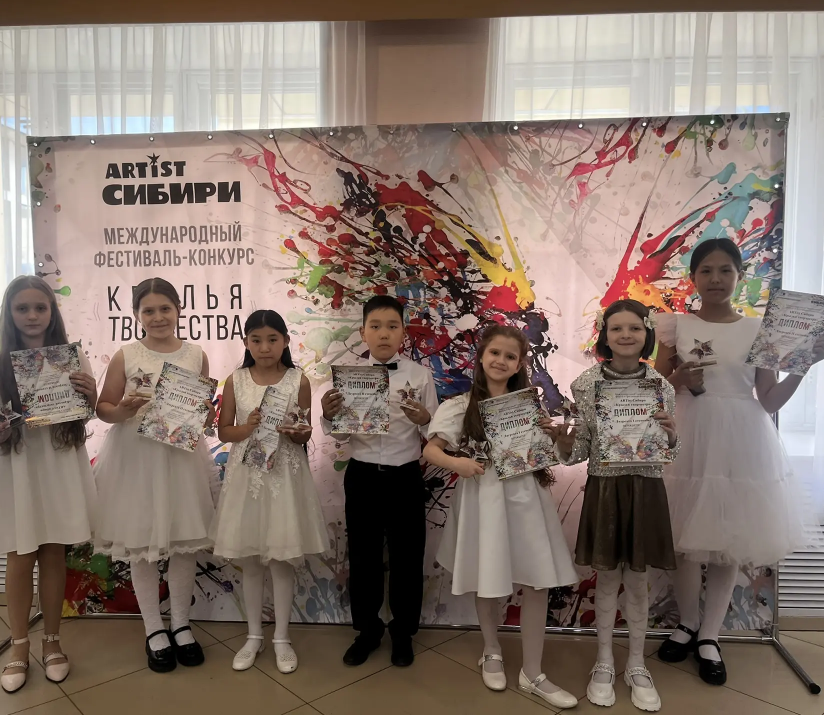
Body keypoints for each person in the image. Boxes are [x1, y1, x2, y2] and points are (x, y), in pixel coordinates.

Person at [653, 238, 824, 685]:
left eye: (725, 270)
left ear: (739, 276)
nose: (715, 279)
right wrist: (676, 378)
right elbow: (651, 391)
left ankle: (710, 635)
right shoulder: (675, 325)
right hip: (687, 435)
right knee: (682, 541)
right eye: (706, 270)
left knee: (727, 539)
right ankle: (687, 623)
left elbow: (768, 399)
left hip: (741, 439)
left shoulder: (758, 330)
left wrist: (803, 365)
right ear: (693, 277)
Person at [424, 324, 579, 709]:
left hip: (527, 499)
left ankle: (533, 671)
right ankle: (491, 649)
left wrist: (560, 437)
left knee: (537, 581)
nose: (501, 360)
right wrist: (457, 463)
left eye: (511, 356)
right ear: (481, 356)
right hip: (484, 499)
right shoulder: (460, 406)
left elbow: (553, 455)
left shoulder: (530, 407)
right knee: (487, 577)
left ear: (519, 364)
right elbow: (431, 449)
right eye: (495, 352)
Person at [0, 275, 98, 693]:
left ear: (52, 312)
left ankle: (52, 641)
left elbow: (86, 412)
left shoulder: (72, 359)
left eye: (41, 307)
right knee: (20, 555)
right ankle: (19, 646)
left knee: (54, 551)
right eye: (23, 308)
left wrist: (90, 395)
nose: (33, 315)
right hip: (17, 467)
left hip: (58, 462)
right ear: (10, 314)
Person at [543, 300, 678, 712]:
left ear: (646, 332)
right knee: (605, 579)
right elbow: (579, 451)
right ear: (604, 335)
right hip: (605, 488)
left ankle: (636, 663)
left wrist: (672, 436)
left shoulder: (661, 386)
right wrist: (565, 441)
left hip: (645, 488)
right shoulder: (586, 385)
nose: (625, 335)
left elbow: (667, 451)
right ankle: (603, 661)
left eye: (634, 328)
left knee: (637, 581)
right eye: (616, 328)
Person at [92, 278, 216, 674]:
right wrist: (123, 410)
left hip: (181, 459)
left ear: (179, 309)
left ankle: (181, 624)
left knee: (184, 543)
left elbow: (202, 408)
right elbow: (103, 407)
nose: (158, 317)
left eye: (165, 308)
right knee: (141, 542)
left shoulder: (196, 354)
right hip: (136, 459)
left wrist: (207, 415)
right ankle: (153, 629)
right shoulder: (126, 355)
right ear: (136, 314)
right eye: (149, 310)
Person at [320, 295, 438, 667]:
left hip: (406, 475)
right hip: (362, 475)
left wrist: (424, 419)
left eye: (391, 326)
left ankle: (403, 633)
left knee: (407, 557)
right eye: (375, 326)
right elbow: (340, 436)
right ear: (363, 333)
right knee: (364, 557)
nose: (383, 334)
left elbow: (436, 433)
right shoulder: (347, 377)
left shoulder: (420, 375)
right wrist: (329, 415)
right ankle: (367, 631)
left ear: (403, 332)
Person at [210, 309, 328, 674]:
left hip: (284, 479)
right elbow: (224, 432)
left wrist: (298, 432)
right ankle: (253, 636)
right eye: (256, 340)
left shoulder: (298, 380)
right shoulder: (236, 380)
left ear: (286, 341)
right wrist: (246, 427)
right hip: (247, 478)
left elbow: (304, 433)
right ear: (246, 342)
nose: (264, 347)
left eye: (272, 340)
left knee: (281, 560)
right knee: (250, 562)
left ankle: (281, 637)